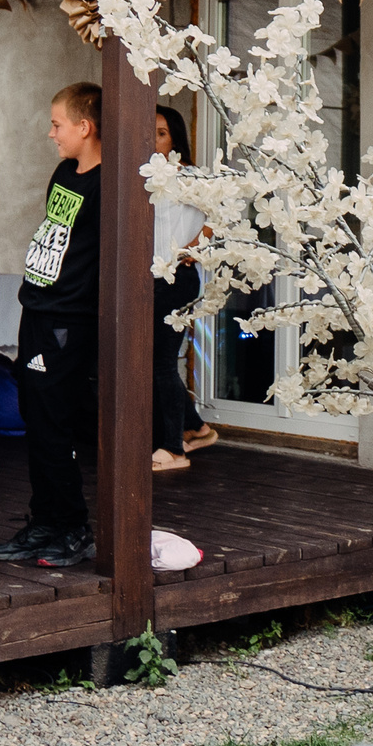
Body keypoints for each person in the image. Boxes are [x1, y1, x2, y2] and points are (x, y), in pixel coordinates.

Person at [0, 83, 104, 568]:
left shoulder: (108, 185)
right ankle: (45, 521)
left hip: (68, 319)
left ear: (85, 126)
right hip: (36, 307)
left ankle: (73, 526)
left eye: (58, 125)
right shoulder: (64, 173)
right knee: (35, 417)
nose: (51, 133)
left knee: (55, 420)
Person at [151, 102, 217, 472]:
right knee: (151, 361)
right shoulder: (148, 175)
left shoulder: (190, 176)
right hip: (150, 278)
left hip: (177, 279)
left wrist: (196, 246)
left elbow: (223, 215)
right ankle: (196, 428)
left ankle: (174, 449)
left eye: (161, 133)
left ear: (175, 138)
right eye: (150, 132)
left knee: (162, 362)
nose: (154, 140)